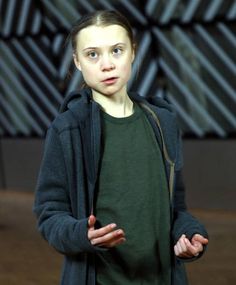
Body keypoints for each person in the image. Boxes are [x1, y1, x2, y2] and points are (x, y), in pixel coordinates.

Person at [34, 10, 208, 285]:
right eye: (92, 54)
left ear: (132, 52)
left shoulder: (162, 122)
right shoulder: (67, 129)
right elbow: (49, 214)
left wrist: (188, 235)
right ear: (77, 61)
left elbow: (176, 209)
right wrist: (82, 234)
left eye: (116, 50)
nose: (107, 65)